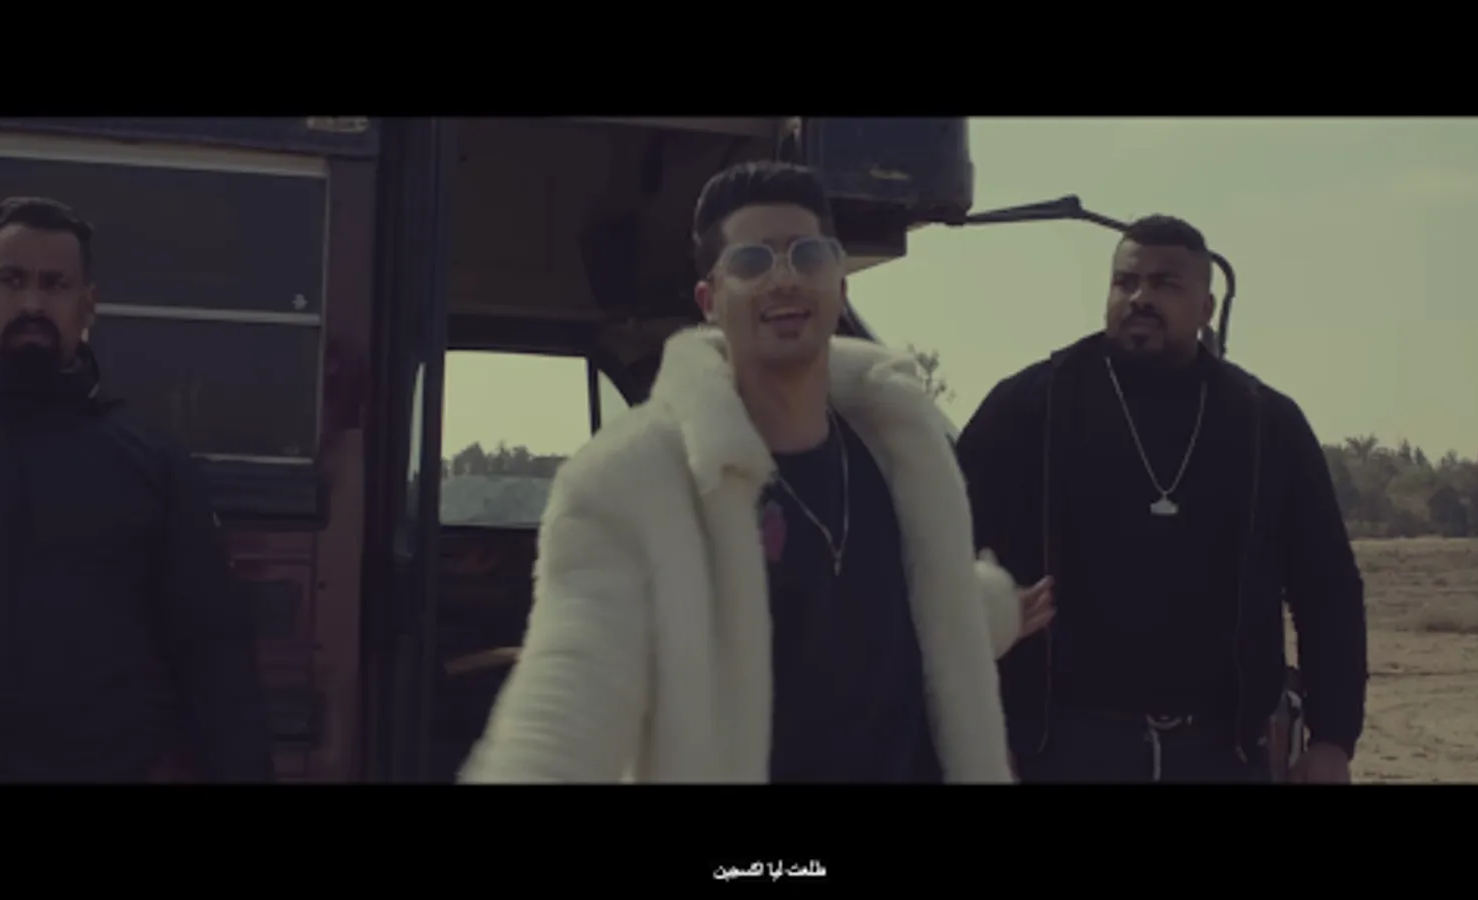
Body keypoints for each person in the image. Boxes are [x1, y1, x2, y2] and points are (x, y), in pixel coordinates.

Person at [460, 161, 1053, 783]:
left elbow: (908, 610)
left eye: (808, 255)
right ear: (710, 301)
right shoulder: (634, 479)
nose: (785, 279)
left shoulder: (899, 449)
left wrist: (994, 609)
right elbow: (570, 691)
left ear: (840, 286)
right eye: (752, 261)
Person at [957, 214, 1367, 784]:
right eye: (1126, 282)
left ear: (1206, 307)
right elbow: (943, 571)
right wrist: (979, 734)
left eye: (1165, 283)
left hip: (1223, 753)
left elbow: (1327, 590)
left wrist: (1332, 740)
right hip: (1062, 747)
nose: (1140, 298)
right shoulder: (1029, 409)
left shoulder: (1264, 423)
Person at [0, 197, 275, 782]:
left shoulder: (152, 466)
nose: (32, 303)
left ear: (88, 304)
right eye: (12, 280)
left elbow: (214, 658)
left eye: (55, 284)